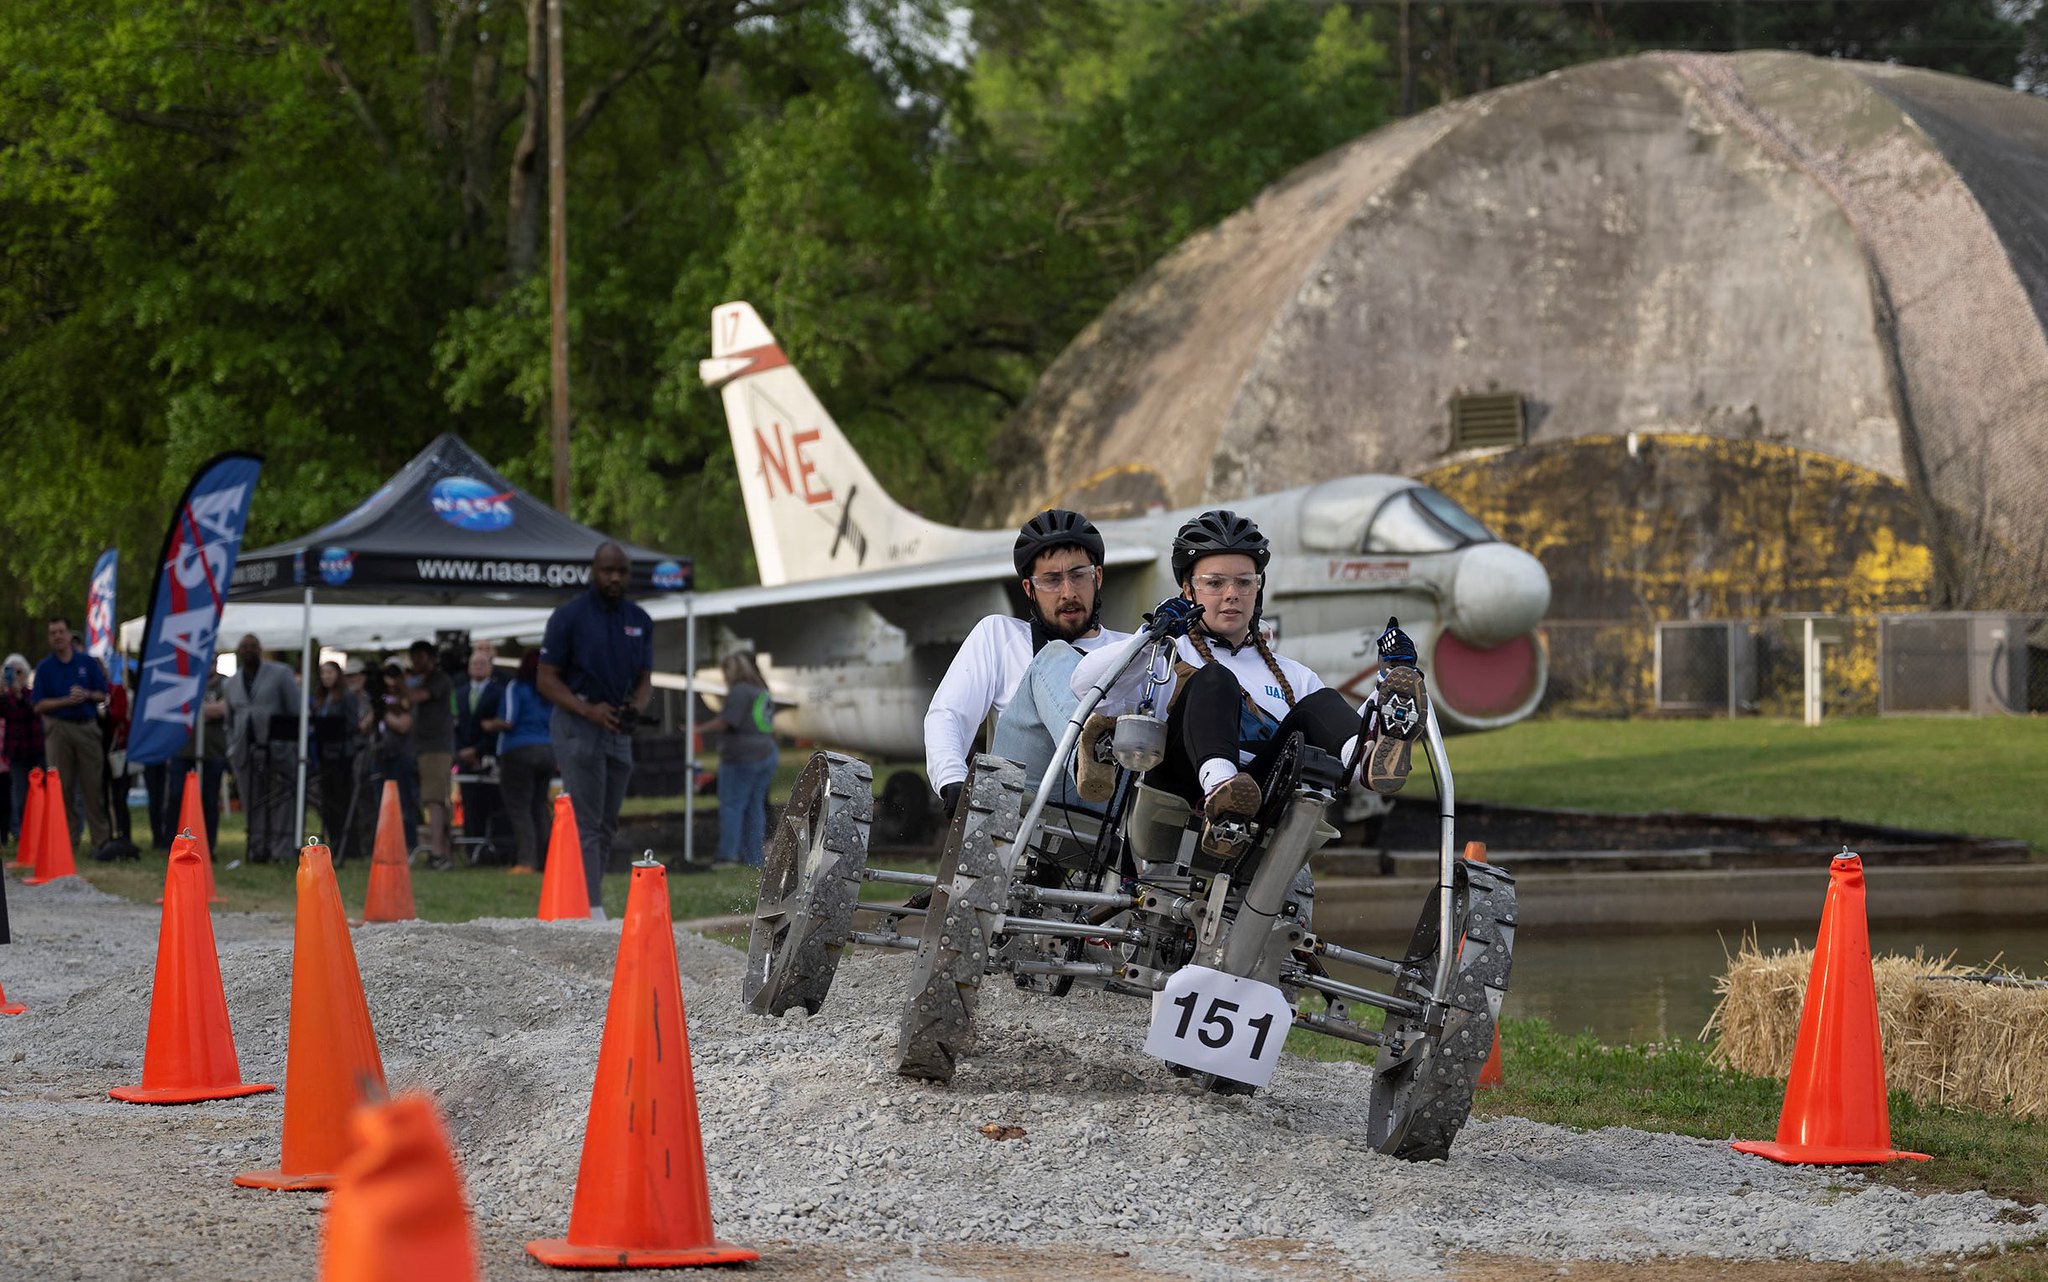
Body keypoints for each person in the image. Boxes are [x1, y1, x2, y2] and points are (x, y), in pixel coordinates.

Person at [1076, 510, 1430, 860]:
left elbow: (1339, 773)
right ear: (1188, 591)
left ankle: (1365, 754)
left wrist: (1389, 679)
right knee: (1215, 679)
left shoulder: (1292, 675)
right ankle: (1221, 790)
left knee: (1319, 702)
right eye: (1215, 583)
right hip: (1181, 792)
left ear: (1257, 591)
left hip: (1264, 795)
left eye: (1244, 582)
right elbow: (1085, 686)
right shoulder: (1164, 652)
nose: (1232, 594)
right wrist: (1151, 635)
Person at [924, 510, 1131, 816]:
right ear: (1028, 589)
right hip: (1021, 801)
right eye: (1051, 580)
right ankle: (1084, 754)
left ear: (1097, 577)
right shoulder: (1000, 636)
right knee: (1054, 655)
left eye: (1078, 575)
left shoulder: (1129, 649)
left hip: (1107, 804)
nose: (1068, 592)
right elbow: (948, 715)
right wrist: (953, 779)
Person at [538, 541, 653, 917]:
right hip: (578, 724)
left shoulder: (639, 619)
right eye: (607, 570)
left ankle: (587, 900)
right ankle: (590, 909)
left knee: (605, 824)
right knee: (586, 821)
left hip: (617, 727)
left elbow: (644, 680)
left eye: (621, 571)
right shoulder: (568, 617)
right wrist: (587, 710)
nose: (615, 577)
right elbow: (546, 679)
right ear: (593, 570)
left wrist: (635, 708)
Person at [31, 616, 111, 856]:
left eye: (60, 632)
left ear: (68, 635)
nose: (57, 636)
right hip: (59, 728)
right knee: (61, 787)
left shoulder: (86, 662)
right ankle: (67, 842)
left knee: (92, 786)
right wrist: (66, 700)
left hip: (86, 727)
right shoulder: (45, 668)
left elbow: (103, 694)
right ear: (49, 638)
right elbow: (38, 705)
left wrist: (85, 694)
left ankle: (101, 842)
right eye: (52, 633)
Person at [221, 633, 302, 865]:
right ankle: (257, 847)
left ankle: (281, 850)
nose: (248, 650)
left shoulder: (280, 674)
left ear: (260, 649)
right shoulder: (231, 683)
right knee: (252, 800)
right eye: (244, 646)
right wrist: (231, 748)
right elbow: (229, 720)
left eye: (253, 646)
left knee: (281, 800)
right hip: (245, 751)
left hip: (278, 749)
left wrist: (291, 743)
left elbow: (295, 710)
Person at [479, 651, 554, 875]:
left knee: (519, 808)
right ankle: (548, 861)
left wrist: (488, 725)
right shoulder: (551, 691)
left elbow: (509, 720)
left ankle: (526, 861)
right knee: (540, 807)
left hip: (519, 751)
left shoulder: (516, 687)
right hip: (548, 750)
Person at [701, 652, 776, 866]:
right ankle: (753, 857)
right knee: (755, 807)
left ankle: (728, 855)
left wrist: (697, 729)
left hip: (742, 756)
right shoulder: (762, 690)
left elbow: (727, 721)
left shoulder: (740, 691)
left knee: (732, 805)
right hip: (766, 752)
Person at [402, 639, 456, 869]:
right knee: (432, 799)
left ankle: (438, 853)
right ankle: (439, 852)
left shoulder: (439, 680)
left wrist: (399, 684)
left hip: (437, 746)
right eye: (413, 657)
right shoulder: (424, 680)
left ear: (431, 658)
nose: (415, 662)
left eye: (420, 657)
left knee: (435, 800)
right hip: (425, 746)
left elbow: (416, 697)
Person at [164, 672, 228, 854]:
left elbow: (223, 709)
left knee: (209, 800)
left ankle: (208, 845)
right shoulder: (186, 680)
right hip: (183, 750)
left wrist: (195, 709)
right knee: (176, 796)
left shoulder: (225, 683)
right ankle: (172, 841)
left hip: (212, 752)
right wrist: (205, 710)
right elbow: (176, 707)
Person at [453, 647, 507, 863]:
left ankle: (491, 849)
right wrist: (462, 751)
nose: (477, 667)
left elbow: (496, 724)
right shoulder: (459, 693)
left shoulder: (499, 691)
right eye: (474, 663)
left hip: (487, 754)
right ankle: (471, 848)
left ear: (491, 668)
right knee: (469, 804)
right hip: (465, 757)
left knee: (491, 804)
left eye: (482, 664)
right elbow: (455, 724)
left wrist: (478, 750)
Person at [310, 660, 364, 866]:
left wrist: (334, 729)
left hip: (342, 755)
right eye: (323, 673)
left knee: (343, 798)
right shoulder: (320, 699)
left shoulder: (346, 697)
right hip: (324, 755)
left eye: (330, 672)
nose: (326, 677)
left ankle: (348, 844)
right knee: (328, 799)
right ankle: (333, 838)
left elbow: (352, 724)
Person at [365, 658, 419, 853]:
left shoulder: (407, 697)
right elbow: (363, 726)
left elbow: (404, 725)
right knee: (381, 801)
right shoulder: (378, 697)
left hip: (400, 754)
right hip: (380, 754)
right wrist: (376, 708)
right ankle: (385, 844)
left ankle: (409, 844)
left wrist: (384, 712)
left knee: (403, 801)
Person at [0, 654, 42, 847]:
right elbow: (7, 714)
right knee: (19, 797)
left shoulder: (32, 694)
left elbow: (32, 712)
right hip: (15, 753)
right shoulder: (4, 699)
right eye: (10, 672)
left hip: (34, 750)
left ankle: (38, 832)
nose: (15, 676)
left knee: (38, 794)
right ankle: (24, 835)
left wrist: (18, 695)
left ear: (25, 673)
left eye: (19, 671)